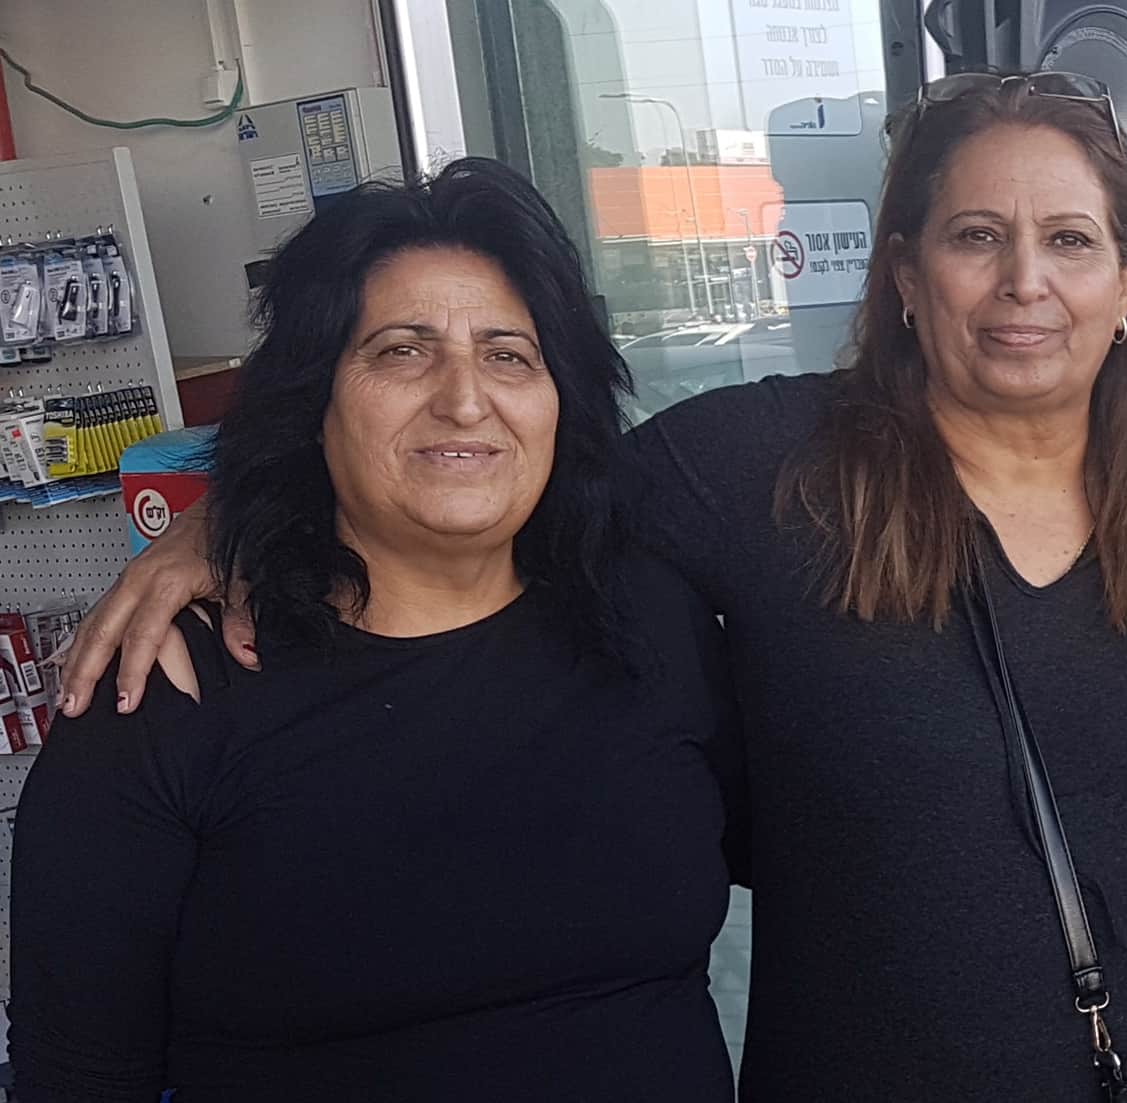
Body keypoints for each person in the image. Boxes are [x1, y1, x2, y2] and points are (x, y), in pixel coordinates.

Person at [54, 73, 1127, 1101]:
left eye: (1070, 241)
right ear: (903, 273)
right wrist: (232, 520)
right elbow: (489, 475)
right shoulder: (764, 467)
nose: (1024, 283)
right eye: (974, 237)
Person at [10, 160, 741, 1101]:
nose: (465, 399)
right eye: (401, 351)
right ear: (312, 402)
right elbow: (75, 1076)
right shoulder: (165, 691)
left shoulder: (650, 621)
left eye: (509, 356)